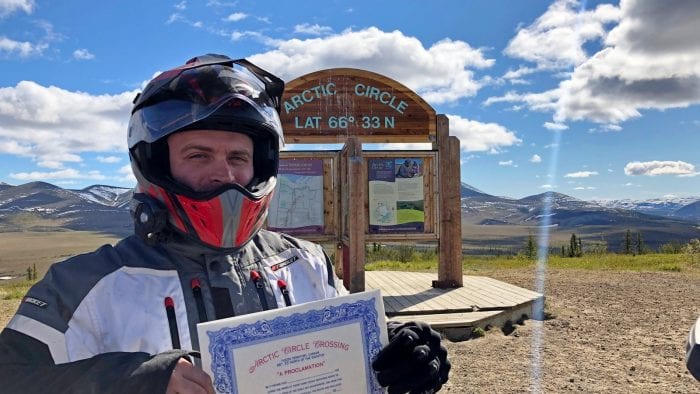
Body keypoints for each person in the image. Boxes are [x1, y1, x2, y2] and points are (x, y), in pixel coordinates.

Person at [0, 54, 450, 393]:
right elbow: (12, 375)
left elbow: (345, 348)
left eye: (239, 157)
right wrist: (140, 379)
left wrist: (402, 353)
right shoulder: (84, 285)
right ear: (154, 163)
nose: (225, 174)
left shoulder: (304, 262)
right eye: (199, 155)